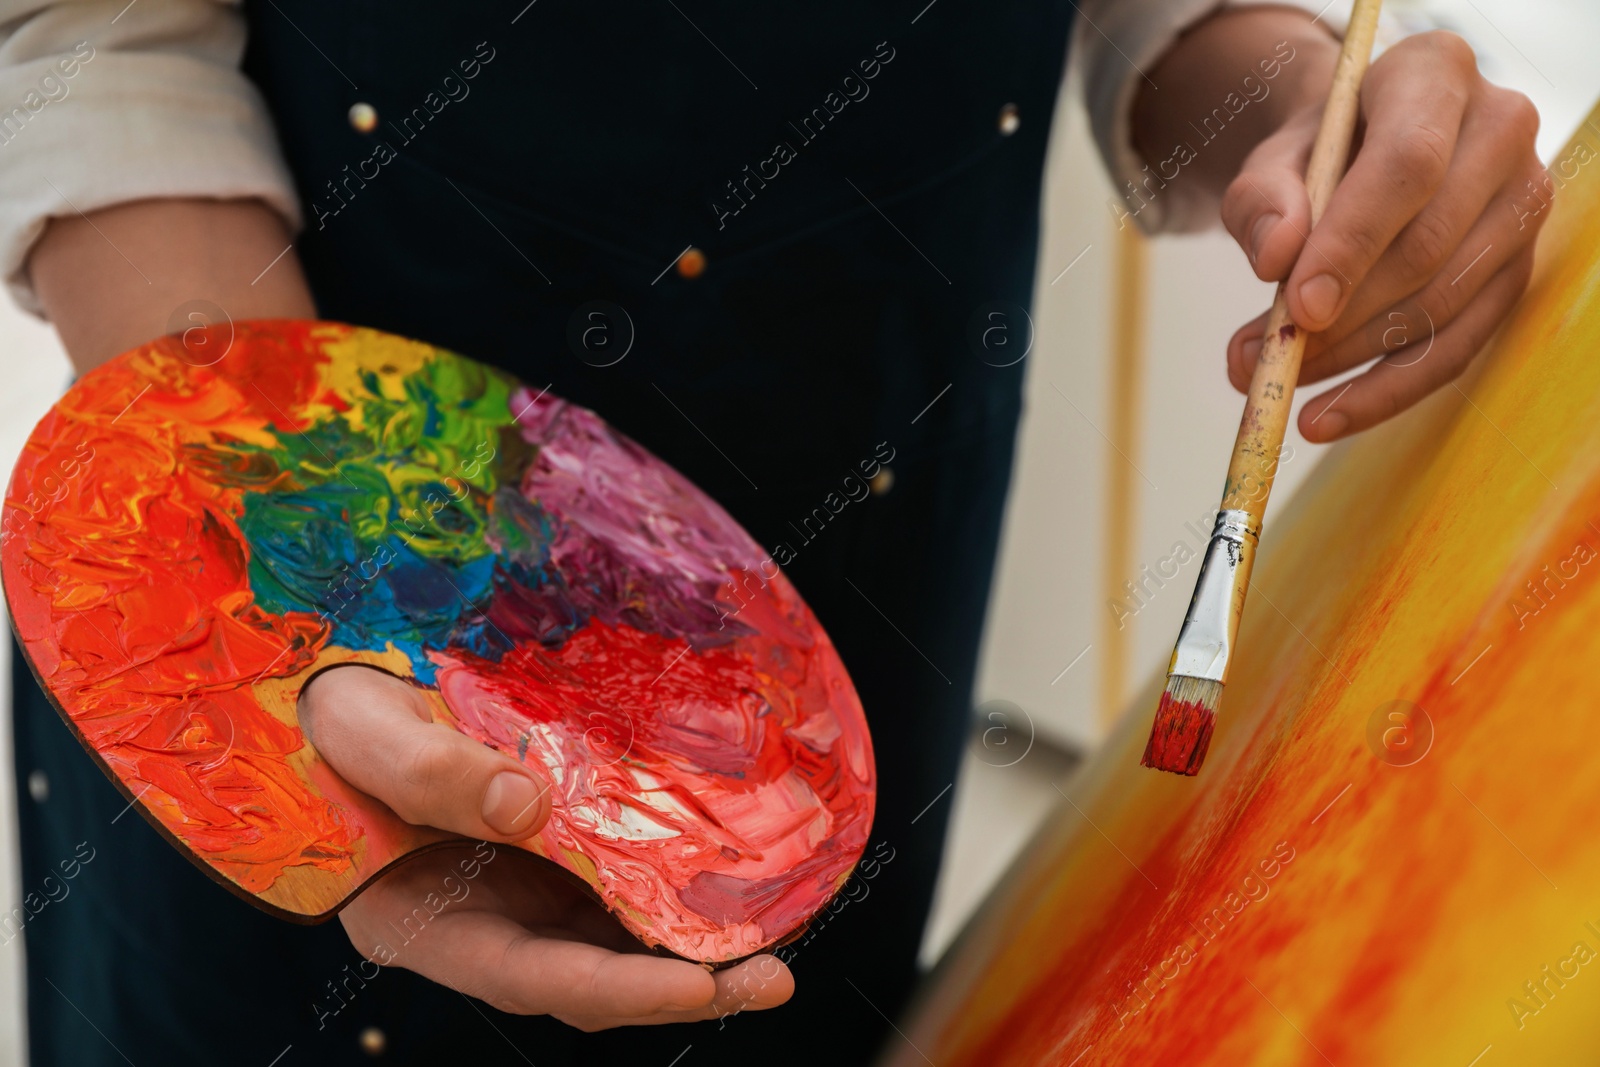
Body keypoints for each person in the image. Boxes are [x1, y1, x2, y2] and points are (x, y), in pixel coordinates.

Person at [0, 0, 1545, 1063]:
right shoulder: (290, 590)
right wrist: (313, 598)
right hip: (281, 570)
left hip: (873, 529)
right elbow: (89, 39)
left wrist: (1291, 102)